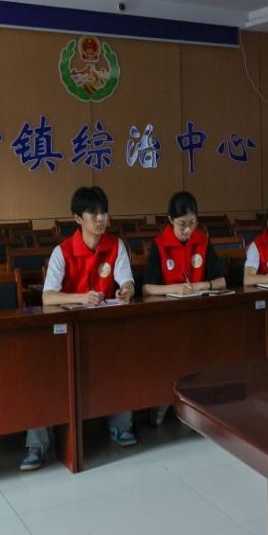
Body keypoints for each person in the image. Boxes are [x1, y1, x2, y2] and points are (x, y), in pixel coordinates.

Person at [22, 186, 137, 470]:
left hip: (102, 329)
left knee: (123, 361)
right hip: (64, 332)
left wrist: (125, 289)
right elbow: (48, 296)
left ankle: (121, 425)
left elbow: (127, 281)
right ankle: (37, 444)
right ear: (77, 218)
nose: (101, 218)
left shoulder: (116, 245)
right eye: (93, 213)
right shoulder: (62, 251)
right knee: (43, 375)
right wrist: (81, 297)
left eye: (104, 212)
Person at [142, 191, 228, 426]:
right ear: (171, 220)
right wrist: (176, 289)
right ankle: (163, 403)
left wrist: (202, 285)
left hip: (199, 313)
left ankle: (200, 405)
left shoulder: (203, 241)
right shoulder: (159, 246)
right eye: (182, 224)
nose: (188, 229)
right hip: (168, 316)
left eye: (192, 223)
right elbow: (147, 288)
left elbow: (221, 281)